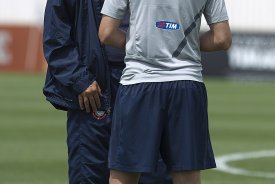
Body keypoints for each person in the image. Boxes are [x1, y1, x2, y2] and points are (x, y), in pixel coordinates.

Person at [99, 0, 232, 183]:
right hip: (186, 83)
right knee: (187, 175)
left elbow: (106, 33)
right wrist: (184, 43)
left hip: (138, 82)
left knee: (124, 174)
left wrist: (141, 45)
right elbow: (222, 38)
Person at [43, 0, 172, 183]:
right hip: (93, 87)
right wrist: (80, 79)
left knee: (155, 173)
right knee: (89, 172)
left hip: (149, 80)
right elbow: (55, 35)